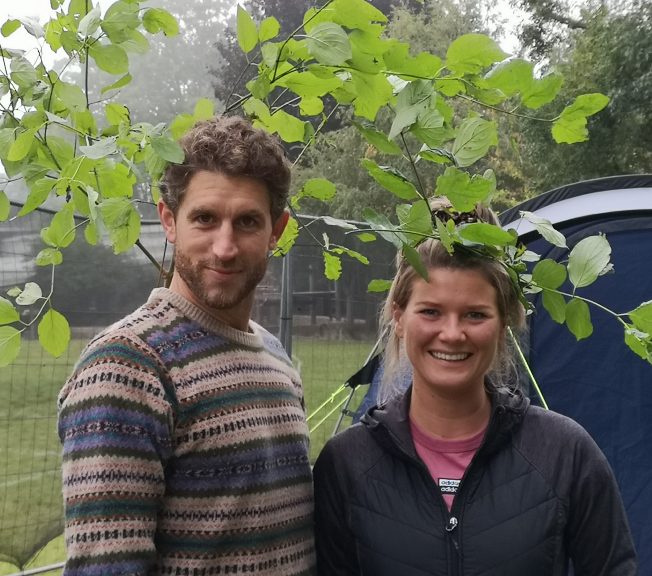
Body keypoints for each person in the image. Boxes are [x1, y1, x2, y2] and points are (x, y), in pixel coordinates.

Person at [58, 116, 316, 575]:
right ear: (168, 221)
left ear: (277, 231)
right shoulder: (127, 365)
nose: (224, 247)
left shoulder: (276, 358)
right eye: (204, 218)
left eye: (247, 222)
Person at [313, 220, 638, 575]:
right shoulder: (347, 463)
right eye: (431, 311)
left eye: (475, 315)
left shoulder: (564, 453)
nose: (452, 334)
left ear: (503, 324)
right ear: (399, 317)